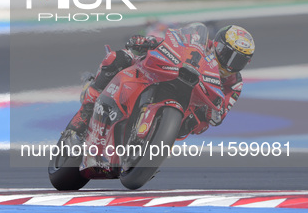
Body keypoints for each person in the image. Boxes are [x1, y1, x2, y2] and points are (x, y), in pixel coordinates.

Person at [65, 24, 255, 141]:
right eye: (227, 54)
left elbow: (218, 117)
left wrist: (214, 109)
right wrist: (148, 41)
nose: (230, 64)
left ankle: (155, 140)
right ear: (219, 44)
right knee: (118, 58)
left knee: (197, 125)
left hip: (192, 103)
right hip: (169, 72)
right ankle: (86, 111)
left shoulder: (235, 83)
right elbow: (173, 40)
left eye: (237, 60)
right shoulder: (201, 41)